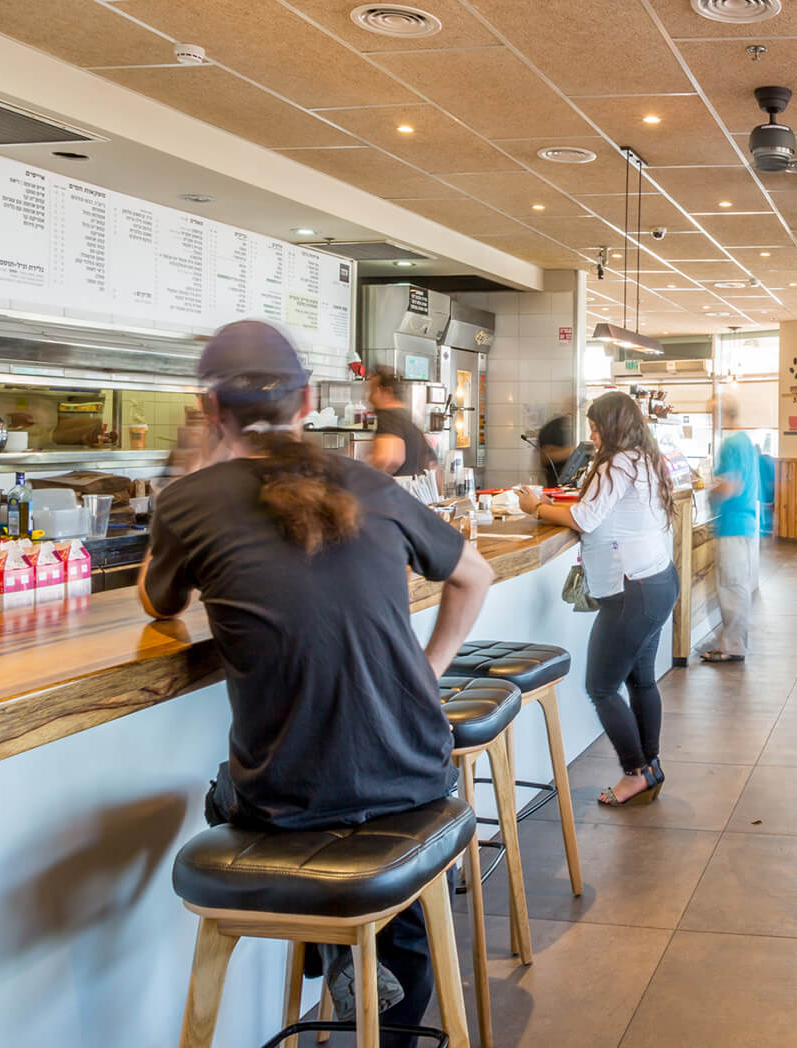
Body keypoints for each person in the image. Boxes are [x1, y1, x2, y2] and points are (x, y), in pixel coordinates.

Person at [139, 321, 495, 1040]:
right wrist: (426, 675)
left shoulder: (190, 500)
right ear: (307, 405)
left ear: (212, 414)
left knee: (227, 792)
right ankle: (367, 977)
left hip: (290, 797)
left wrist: (190, 474)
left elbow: (158, 602)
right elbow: (474, 575)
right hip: (417, 768)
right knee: (390, 865)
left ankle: (332, 947)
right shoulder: (369, 484)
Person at [517, 391, 678, 805]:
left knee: (602, 686)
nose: (590, 433)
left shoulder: (616, 463)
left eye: (595, 426)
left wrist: (536, 507)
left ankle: (635, 771)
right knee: (640, 679)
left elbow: (585, 518)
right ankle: (651, 766)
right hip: (657, 581)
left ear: (613, 427)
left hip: (632, 590)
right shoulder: (645, 458)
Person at [703, 397, 761, 663]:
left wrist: (709, 491)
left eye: (710, 413)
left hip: (731, 523)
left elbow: (729, 486)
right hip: (747, 522)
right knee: (736, 585)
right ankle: (731, 640)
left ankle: (733, 646)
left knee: (731, 585)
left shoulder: (730, 444)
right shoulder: (746, 441)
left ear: (720, 414)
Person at [364, 366, 432, 480]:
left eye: (372, 391)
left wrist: (362, 482)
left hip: (392, 494)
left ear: (387, 392)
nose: (369, 398)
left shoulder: (388, 416)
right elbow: (432, 465)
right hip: (410, 495)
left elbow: (389, 458)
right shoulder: (411, 423)